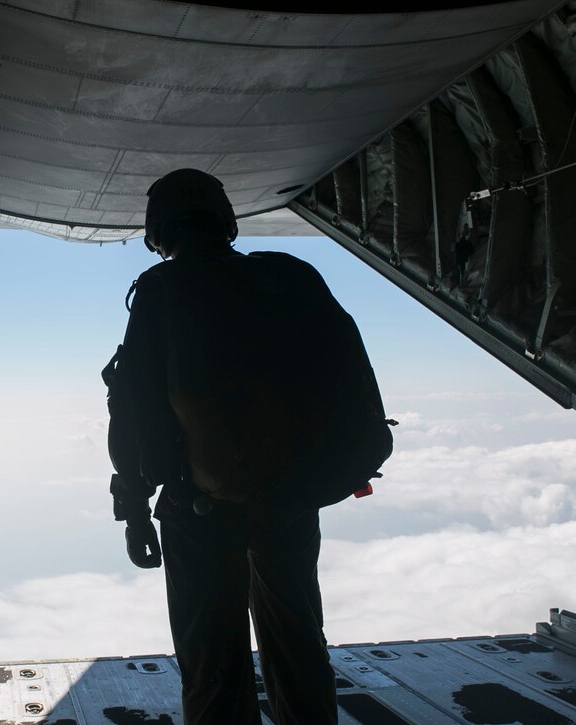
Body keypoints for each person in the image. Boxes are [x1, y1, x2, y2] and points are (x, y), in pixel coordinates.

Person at [104, 169, 391, 725]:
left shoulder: (161, 293)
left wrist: (135, 513)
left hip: (198, 509)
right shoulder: (289, 278)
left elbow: (134, 413)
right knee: (300, 645)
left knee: (213, 662)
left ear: (158, 231)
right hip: (290, 499)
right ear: (226, 221)